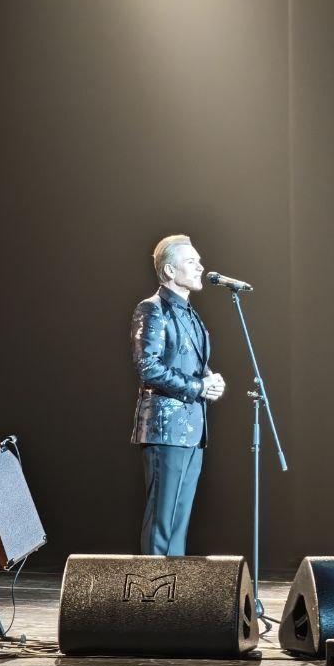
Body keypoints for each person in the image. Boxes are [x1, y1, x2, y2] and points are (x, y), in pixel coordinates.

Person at [130, 234, 226, 555]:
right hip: (165, 428)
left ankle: (173, 585)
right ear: (170, 270)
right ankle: (152, 586)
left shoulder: (191, 314)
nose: (200, 267)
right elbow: (148, 367)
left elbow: (191, 363)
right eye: (191, 261)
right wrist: (198, 387)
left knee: (178, 523)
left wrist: (209, 380)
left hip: (193, 430)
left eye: (199, 261)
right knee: (162, 521)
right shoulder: (151, 309)